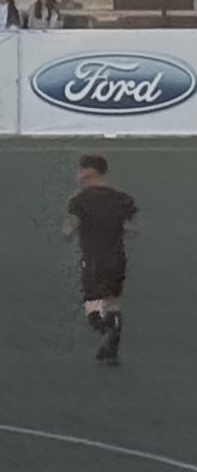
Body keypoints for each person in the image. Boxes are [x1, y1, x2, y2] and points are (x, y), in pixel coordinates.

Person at [69, 153, 136, 367]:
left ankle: (109, 330)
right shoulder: (122, 199)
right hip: (117, 258)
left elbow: (69, 228)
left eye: (81, 169)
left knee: (92, 305)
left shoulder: (80, 200)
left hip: (94, 259)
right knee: (112, 301)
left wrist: (70, 231)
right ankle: (111, 349)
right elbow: (132, 229)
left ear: (89, 172)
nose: (78, 174)